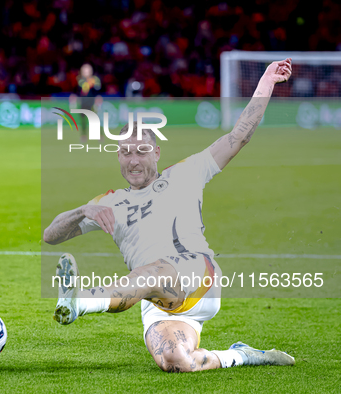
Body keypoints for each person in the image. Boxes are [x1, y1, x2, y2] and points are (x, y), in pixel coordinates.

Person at [44, 59, 294, 372]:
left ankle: (78, 302)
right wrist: (82, 210)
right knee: (177, 362)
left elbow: (239, 135)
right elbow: (51, 235)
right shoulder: (110, 203)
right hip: (156, 302)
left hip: (196, 278)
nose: (133, 160)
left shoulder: (187, 172)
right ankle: (244, 355)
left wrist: (267, 82)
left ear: (157, 152)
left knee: (156, 270)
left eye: (141, 151)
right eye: (125, 152)